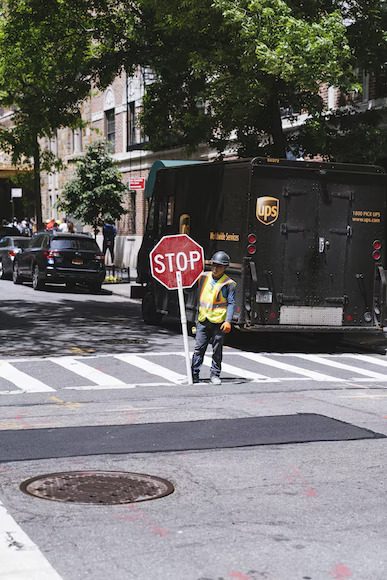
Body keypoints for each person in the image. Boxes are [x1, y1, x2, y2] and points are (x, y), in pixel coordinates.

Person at [191, 251, 236, 385]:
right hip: (203, 320)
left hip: (218, 322)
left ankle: (215, 374)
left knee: (217, 349)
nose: (215, 269)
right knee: (199, 348)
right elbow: (190, 288)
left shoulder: (229, 283)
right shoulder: (203, 277)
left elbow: (231, 302)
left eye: (219, 266)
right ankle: (194, 374)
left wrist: (228, 321)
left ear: (225, 267)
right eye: (214, 265)